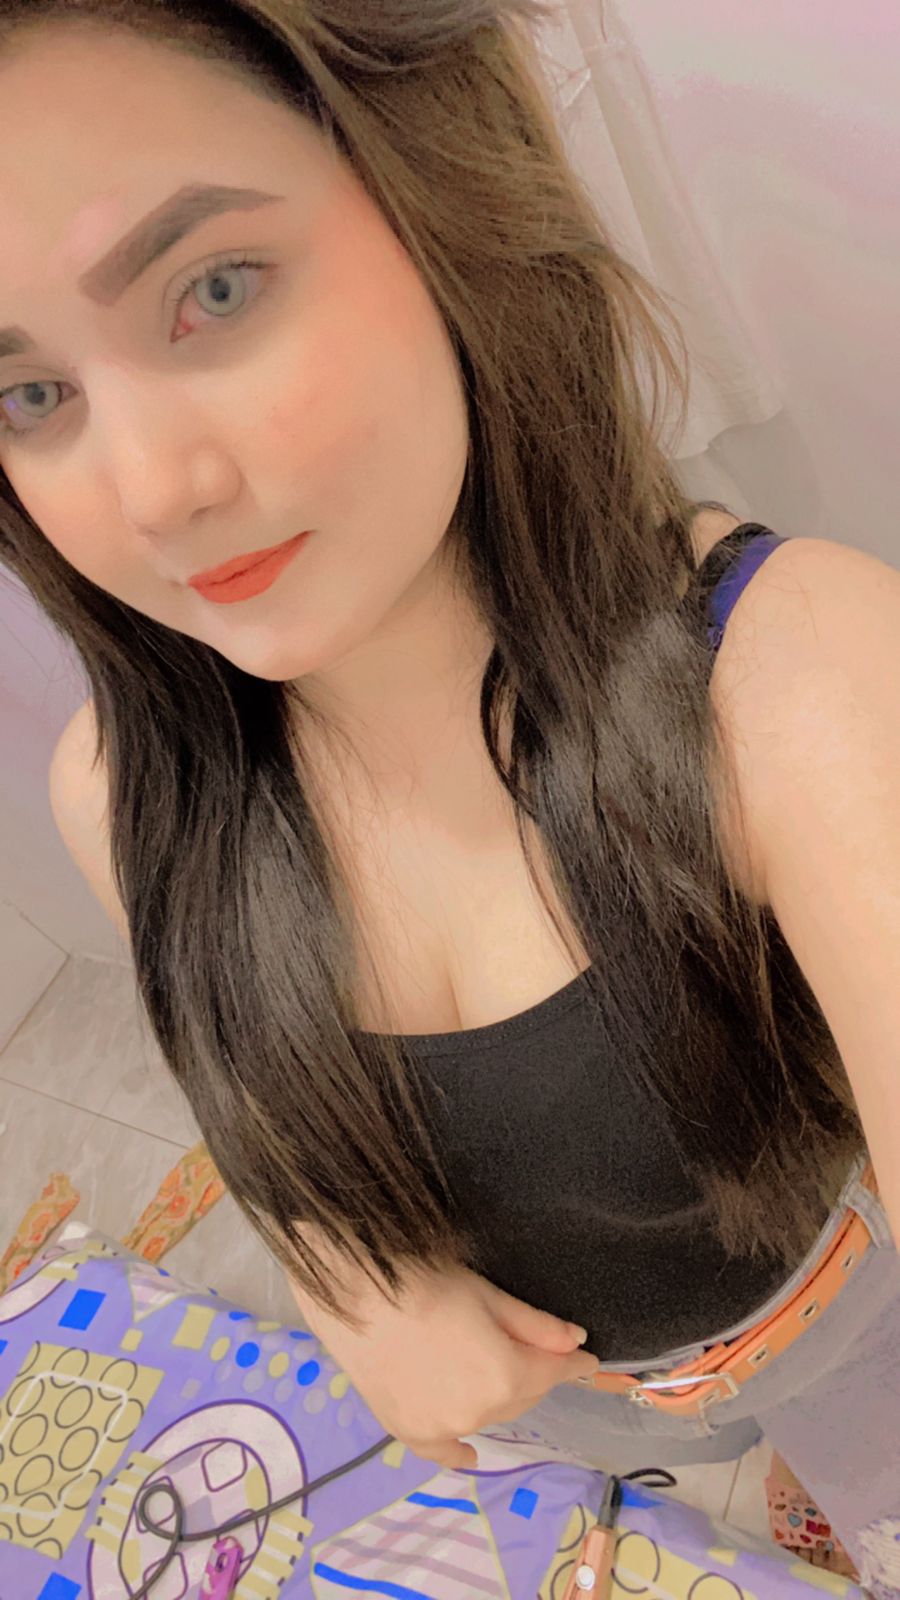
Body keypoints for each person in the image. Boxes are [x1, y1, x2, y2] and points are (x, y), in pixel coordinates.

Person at [1, 5, 898, 1592]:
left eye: (214, 289)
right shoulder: (121, 795)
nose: (152, 493)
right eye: (25, 397)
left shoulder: (793, 681)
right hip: (567, 1415)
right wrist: (349, 1285)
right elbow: (265, 1105)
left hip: (849, 1338)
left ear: (440, 191)